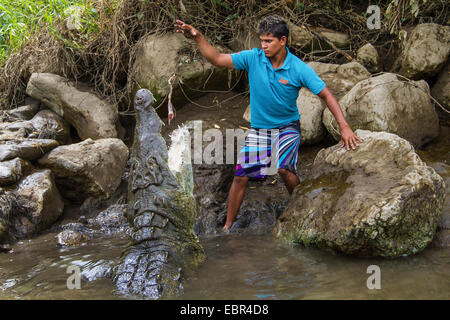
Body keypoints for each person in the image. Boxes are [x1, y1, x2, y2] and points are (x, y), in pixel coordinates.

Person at [175, 15, 362, 231]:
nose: (263, 45)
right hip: (260, 130)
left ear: (283, 41)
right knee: (241, 176)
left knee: (284, 170)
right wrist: (198, 37)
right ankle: (227, 226)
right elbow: (217, 58)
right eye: (261, 40)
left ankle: (299, 209)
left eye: (268, 41)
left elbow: (327, 95)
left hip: (287, 128)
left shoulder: (298, 68)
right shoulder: (253, 58)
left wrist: (344, 127)